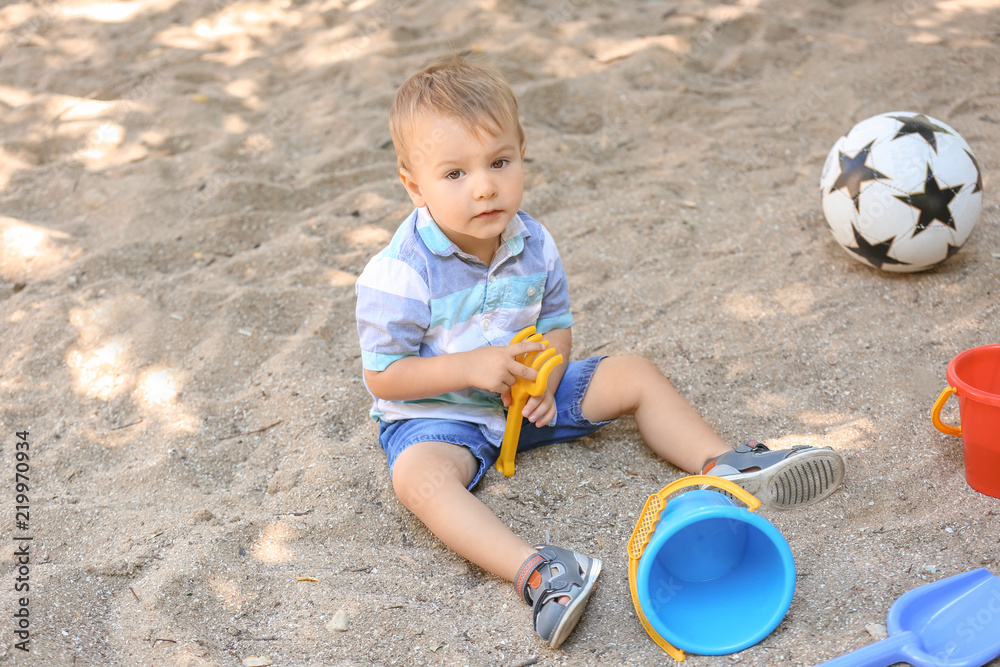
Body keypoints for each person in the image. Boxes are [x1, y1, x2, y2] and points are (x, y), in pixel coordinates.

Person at [355, 56, 845, 649]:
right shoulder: (400, 273)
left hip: (524, 400)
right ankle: (539, 572)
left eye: (500, 162)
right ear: (414, 185)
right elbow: (383, 375)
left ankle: (726, 466)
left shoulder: (533, 242)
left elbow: (557, 328)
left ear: (522, 153)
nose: (485, 186)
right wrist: (468, 369)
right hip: (439, 417)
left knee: (633, 373)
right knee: (418, 481)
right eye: (454, 174)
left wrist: (548, 373)